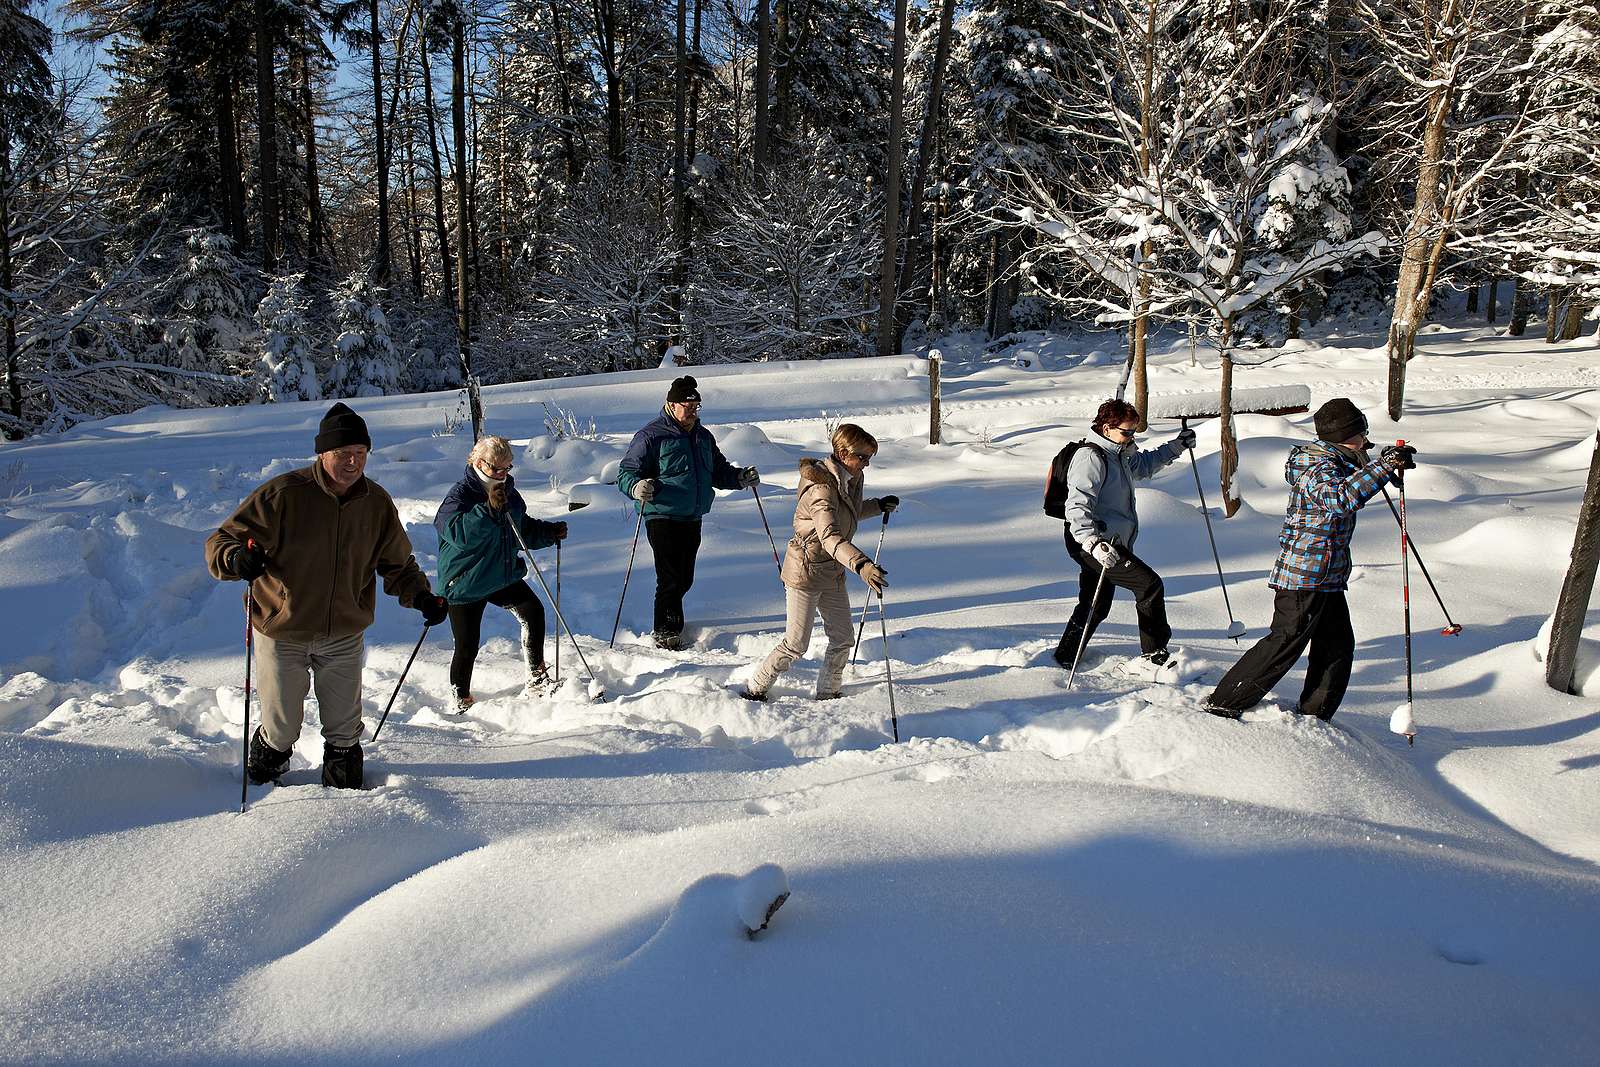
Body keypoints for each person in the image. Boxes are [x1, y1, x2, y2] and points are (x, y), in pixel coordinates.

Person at [205, 402, 447, 790]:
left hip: (343, 635)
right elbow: (223, 540)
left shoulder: (376, 503)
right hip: (283, 629)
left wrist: (421, 596)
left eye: (360, 454)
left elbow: (397, 563)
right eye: (342, 454)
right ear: (322, 453)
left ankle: (344, 806)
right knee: (282, 728)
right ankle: (262, 783)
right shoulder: (284, 494)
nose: (352, 463)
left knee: (345, 730)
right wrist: (237, 558)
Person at [1202, 398, 1417, 721]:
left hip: (1328, 573)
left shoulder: (1341, 457)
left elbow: (1360, 471)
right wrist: (1382, 468)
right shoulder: (1316, 466)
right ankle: (1225, 702)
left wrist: (1389, 464)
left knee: (1337, 646)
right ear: (1346, 436)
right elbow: (1340, 498)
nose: (1366, 439)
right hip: (1305, 573)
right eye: (1362, 433)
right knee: (1285, 641)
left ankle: (1315, 714)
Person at [741, 424, 896, 702]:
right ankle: (756, 688)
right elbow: (828, 535)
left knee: (843, 637)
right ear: (842, 452)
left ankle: (828, 692)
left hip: (832, 570)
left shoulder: (849, 477)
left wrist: (878, 505)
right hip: (806, 571)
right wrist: (861, 565)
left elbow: (848, 512)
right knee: (796, 644)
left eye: (870, 458)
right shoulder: (821, 488)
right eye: (862, 457)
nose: (866, 464)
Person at [1045, 398, 1195, 679]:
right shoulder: (1091, 458)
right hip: (1095, 543)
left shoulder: (1118, 453)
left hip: (1109, 542)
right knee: (1149, 586)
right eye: (1126, 432)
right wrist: (1093, 544)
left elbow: (1144, 465)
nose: (1131, 437)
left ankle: (1066, 655)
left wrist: (1177, 446)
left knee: (1095, 603)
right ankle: (1154, 656)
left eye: (1133, 432)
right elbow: (1077, 507)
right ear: (1106, 428)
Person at [616, 375, 759, 650]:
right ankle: (666, 630)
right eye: (687, 405)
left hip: (692, 515)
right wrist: (637, 487)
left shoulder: (703, 437)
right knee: (669, 576)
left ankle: (671, 621)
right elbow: (626, 473)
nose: (693, 411)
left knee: (685, 577)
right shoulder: (651, 436)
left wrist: (741, 477)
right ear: (671, 405)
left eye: (696, 406)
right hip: (661, 513)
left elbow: (718, 471)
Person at [434, 435, 569, 712]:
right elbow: (457, 533)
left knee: (533, 611)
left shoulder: (508, 491)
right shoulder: (460, 495)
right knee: (468, 645)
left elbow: (520, 528)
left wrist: (547, 532)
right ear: (478, 462)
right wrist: (488, 510)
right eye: (497, 468)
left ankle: (537, 677)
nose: (503, 474)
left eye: (507, 468)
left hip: (499, 574)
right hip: (465, 580)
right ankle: (460, 698)